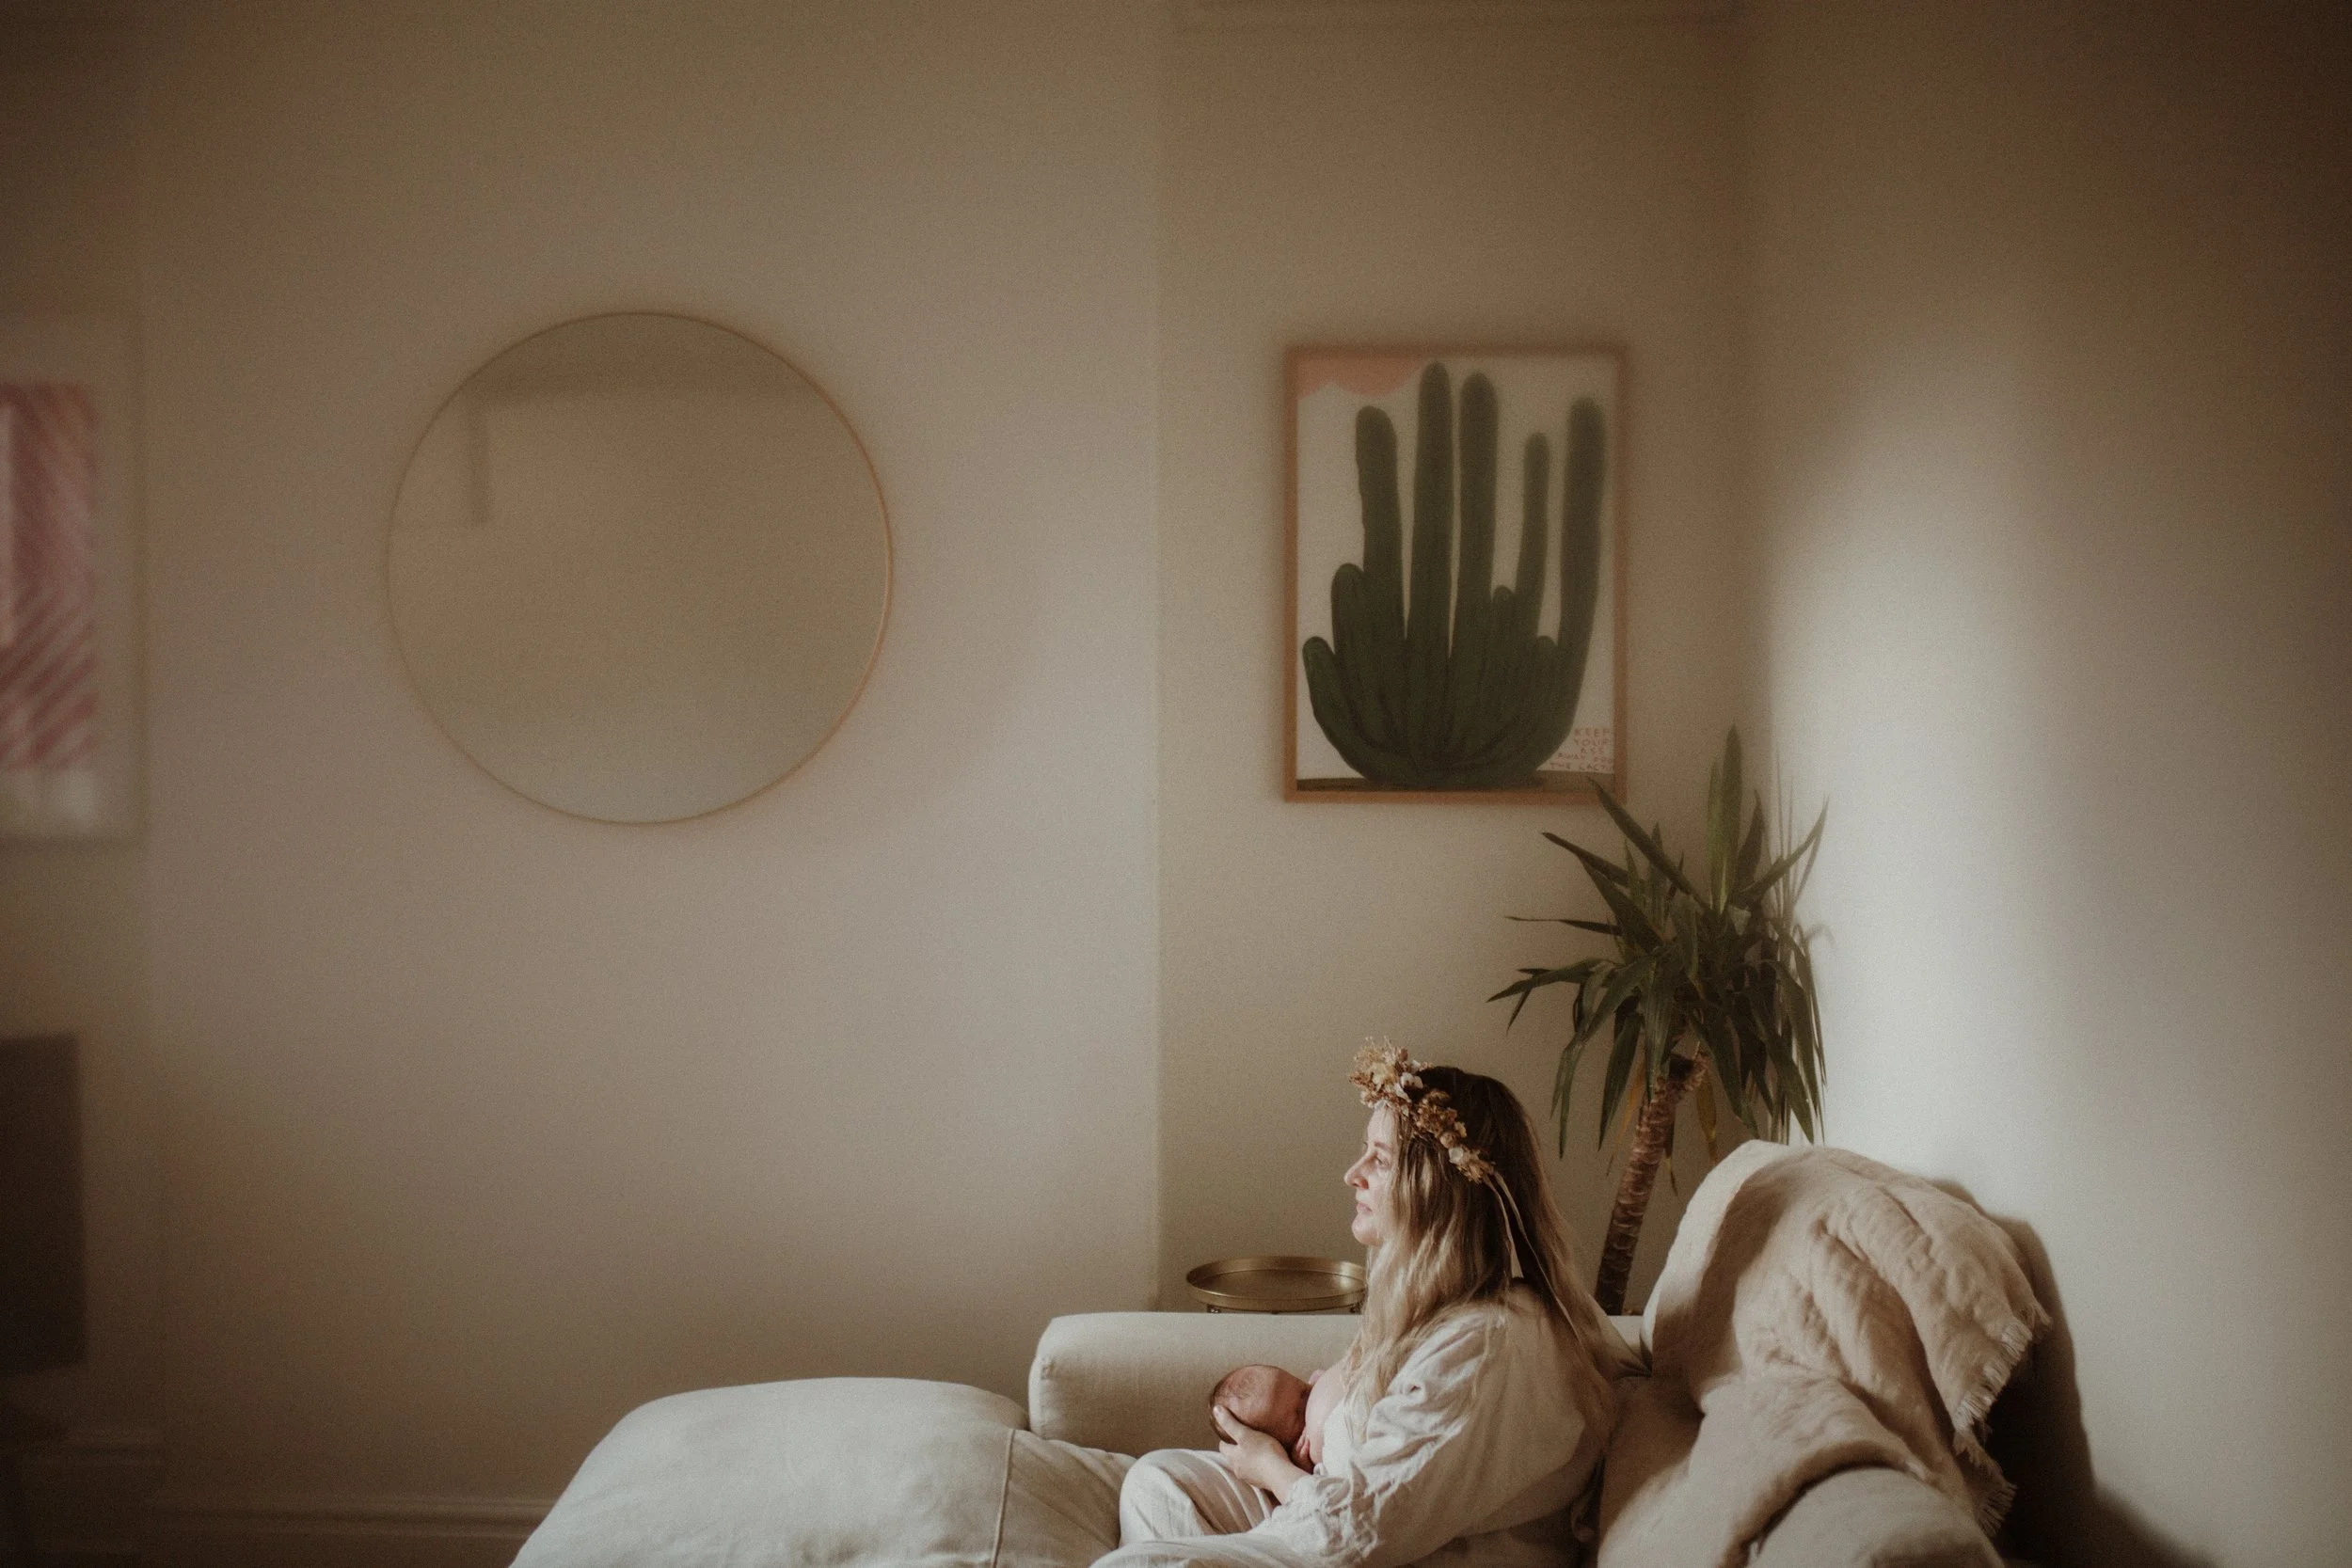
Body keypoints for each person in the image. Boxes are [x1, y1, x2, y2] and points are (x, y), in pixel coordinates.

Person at [1104, 1041, 1638, 1568]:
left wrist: (1271, 1469)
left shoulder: (1484, 1346)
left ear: (1435, 1188)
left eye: (1380, 1160)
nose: (1352, 1173)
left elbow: (1358, 1534)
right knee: (1159, 1483)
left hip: (1381, 1550)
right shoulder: (1440, 1305)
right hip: (1333, 1500)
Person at [1207, 1364, 1341, 1470]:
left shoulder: (1317, 1382)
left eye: (1303, 1391)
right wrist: (1304, 1469)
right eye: (1298, 1415)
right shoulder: (1304, 1459)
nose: (1311, 1399)